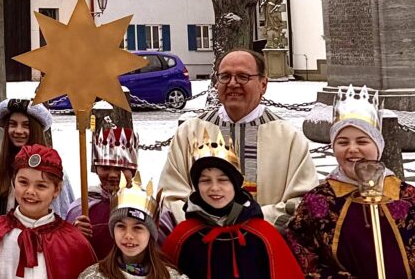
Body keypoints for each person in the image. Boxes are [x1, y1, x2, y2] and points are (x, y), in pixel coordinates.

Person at [157, 51, 317, 227]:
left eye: (243, 76)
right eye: (225, 76)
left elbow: (304, 201)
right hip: (201, 244)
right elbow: (170, 196)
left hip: (265, 245)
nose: (233, 83)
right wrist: (205, 223)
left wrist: (253, 219)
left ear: (263, 84)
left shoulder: (288, 137)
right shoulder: (189, 132)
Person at [284, 85, 415, 278]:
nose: (352, 149)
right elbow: (301, 253)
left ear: (378, 146)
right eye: (343, 142)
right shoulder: (319, 201)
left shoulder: (405, 196)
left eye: (362, 142)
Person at [162, 130, 302, 279]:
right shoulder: (183, 235)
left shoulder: (263, 235)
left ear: (236, 185)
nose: (214, 188)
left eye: (223, 180)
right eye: (205, 181)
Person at [0, 145, 96, 279]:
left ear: (56, 190)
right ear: (14, 182)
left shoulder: (74, 242)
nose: (30, 191)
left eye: (41, 186)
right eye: (23, 182)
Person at [0, 98, 75, 222]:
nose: (18, 131)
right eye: (13, 124)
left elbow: (65, 215)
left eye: (26, 125)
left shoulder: (56, 173)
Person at [78, 174, 184, 279]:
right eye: (121, 226)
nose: (128, 235)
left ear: (150, 232)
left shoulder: (171, 277)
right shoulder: (93, 276)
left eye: (137, 227)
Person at [67, 122, 139, 259]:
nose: (112, 175)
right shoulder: (83, 207)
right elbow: (66, 250)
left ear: (133, 170)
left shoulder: (142, 205)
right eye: (105, 168)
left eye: (120, 168)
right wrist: (74, 234)